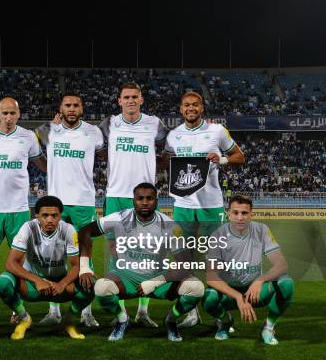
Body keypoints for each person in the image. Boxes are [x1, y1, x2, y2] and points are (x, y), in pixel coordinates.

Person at [78, 182, 204, 342]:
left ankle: (171, 319)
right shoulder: (119, 218)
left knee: (196, 288)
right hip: (125, 277)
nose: (144, 202)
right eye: (140, 198)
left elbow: (185, 265)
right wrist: (84, 267)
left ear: (156, 201)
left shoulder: (170, 226)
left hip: (157, 276)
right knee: (101, 288)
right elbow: (85, 231)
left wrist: (155, 282)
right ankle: (122, 319)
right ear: (133, 201)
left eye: (149, 198)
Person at [163, 91, 245, 328]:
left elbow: (240, 156)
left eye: (195, 104)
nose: (191, 108)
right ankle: (190, 311)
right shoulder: (173, 136)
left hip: (211, 205)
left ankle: (218, 312)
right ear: (180, 109)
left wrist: (222, 160)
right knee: (183, 261)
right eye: (186, 105)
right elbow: (166, 162)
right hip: (183, 205)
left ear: (202, 107)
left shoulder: (217, 131)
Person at [0, 97, 47, 323]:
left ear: (19, 114)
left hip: (19, 210)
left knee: (21, 262)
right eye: (4, 113)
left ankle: (17, 309)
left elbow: (42, 163)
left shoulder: (28, 137)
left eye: (12, 113)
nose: (8, 117)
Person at [99, 82, 169, 327]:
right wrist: (51, 127)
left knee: (148, 254)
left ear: (141, 100)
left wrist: (155, 165)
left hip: (145, 197)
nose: (130, 101)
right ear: (119, 101)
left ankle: (142, 310)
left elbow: (172, 143)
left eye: (134, 97)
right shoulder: (109, 124)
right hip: (116, 195)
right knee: (115, 256)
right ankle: (121, 313)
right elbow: (82, 134)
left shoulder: (155, 124)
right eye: (126, 97)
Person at [35, 93, 104, 327]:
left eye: (76, 105)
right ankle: (53, 308)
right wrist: (50, 125)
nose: (72, 109)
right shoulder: (49, 131)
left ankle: (86, 311)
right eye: (67, 105)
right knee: (52, 255)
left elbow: (102, 150)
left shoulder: (94, 133)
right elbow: (37, 133)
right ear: (60, 108)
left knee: (85, 254)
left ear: (82, 108)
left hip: (83, 201)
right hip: (55, 202)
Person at [0, 196, 93, 340]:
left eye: (54, 216)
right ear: (37, 216)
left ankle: (68, 322)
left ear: (60, 216)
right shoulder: (28, 227)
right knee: (3, 282)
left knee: (91, 285)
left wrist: (63, 283)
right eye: (45, 215)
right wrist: (37, 280)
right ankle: (24, 319)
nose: (50, 220)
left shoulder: (68, 229)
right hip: (32, 285)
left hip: (59, 286)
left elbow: (76, 265)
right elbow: (10, 263)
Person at [203, 194, 294, 345]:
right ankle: (225, 322)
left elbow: (282, 265)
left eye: (244, 213)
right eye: (235, 212)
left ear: (251, 214)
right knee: (208, 298)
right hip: (229, 294)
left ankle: (269, 327)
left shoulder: (261, 230)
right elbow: (211, 277)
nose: (240, 217)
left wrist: (260, 279)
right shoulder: (217, 235)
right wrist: (238, 297)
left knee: (286, 283)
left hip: (255, 292)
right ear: (228, 214)